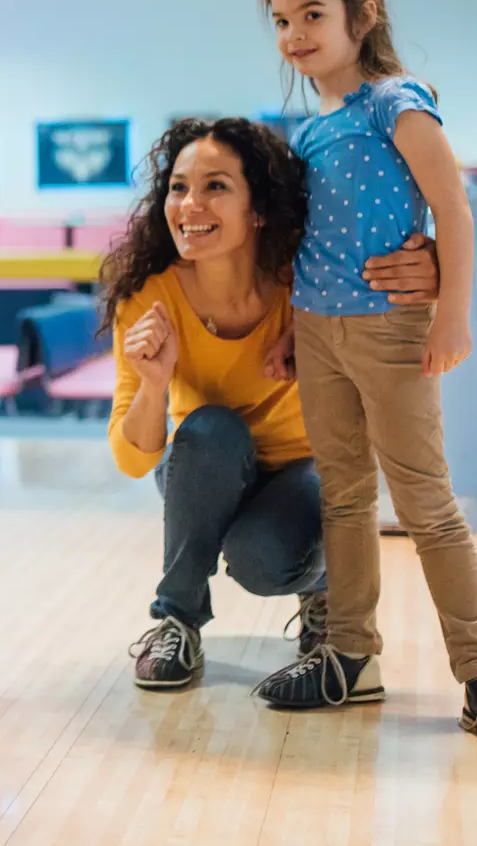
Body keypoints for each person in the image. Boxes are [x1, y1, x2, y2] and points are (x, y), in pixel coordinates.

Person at [250, 0, 477, 752]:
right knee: (343, 496)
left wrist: (455, 310)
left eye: (312, 14)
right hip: (317, 330)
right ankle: (349, 654)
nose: (295, 35)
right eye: (281, 20)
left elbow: (452, 210)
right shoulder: (312, 129)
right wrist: (288, 331)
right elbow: (305, 243)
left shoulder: (397, 101)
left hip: (389, 329)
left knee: (425, 501)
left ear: (363, 14)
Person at [106, 118, 442, 691]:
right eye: (179, 187)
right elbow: (134, 460)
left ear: (257, 209)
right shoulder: (149, 296)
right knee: (208, 430)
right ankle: (177, 622)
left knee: (261, 559)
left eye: (216, 186)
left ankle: (324, 594)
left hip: (307, 469)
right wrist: (156, 383)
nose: (190, 203)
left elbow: (391, 303)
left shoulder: (307, 283)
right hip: (206, 470)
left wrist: (434, 265)